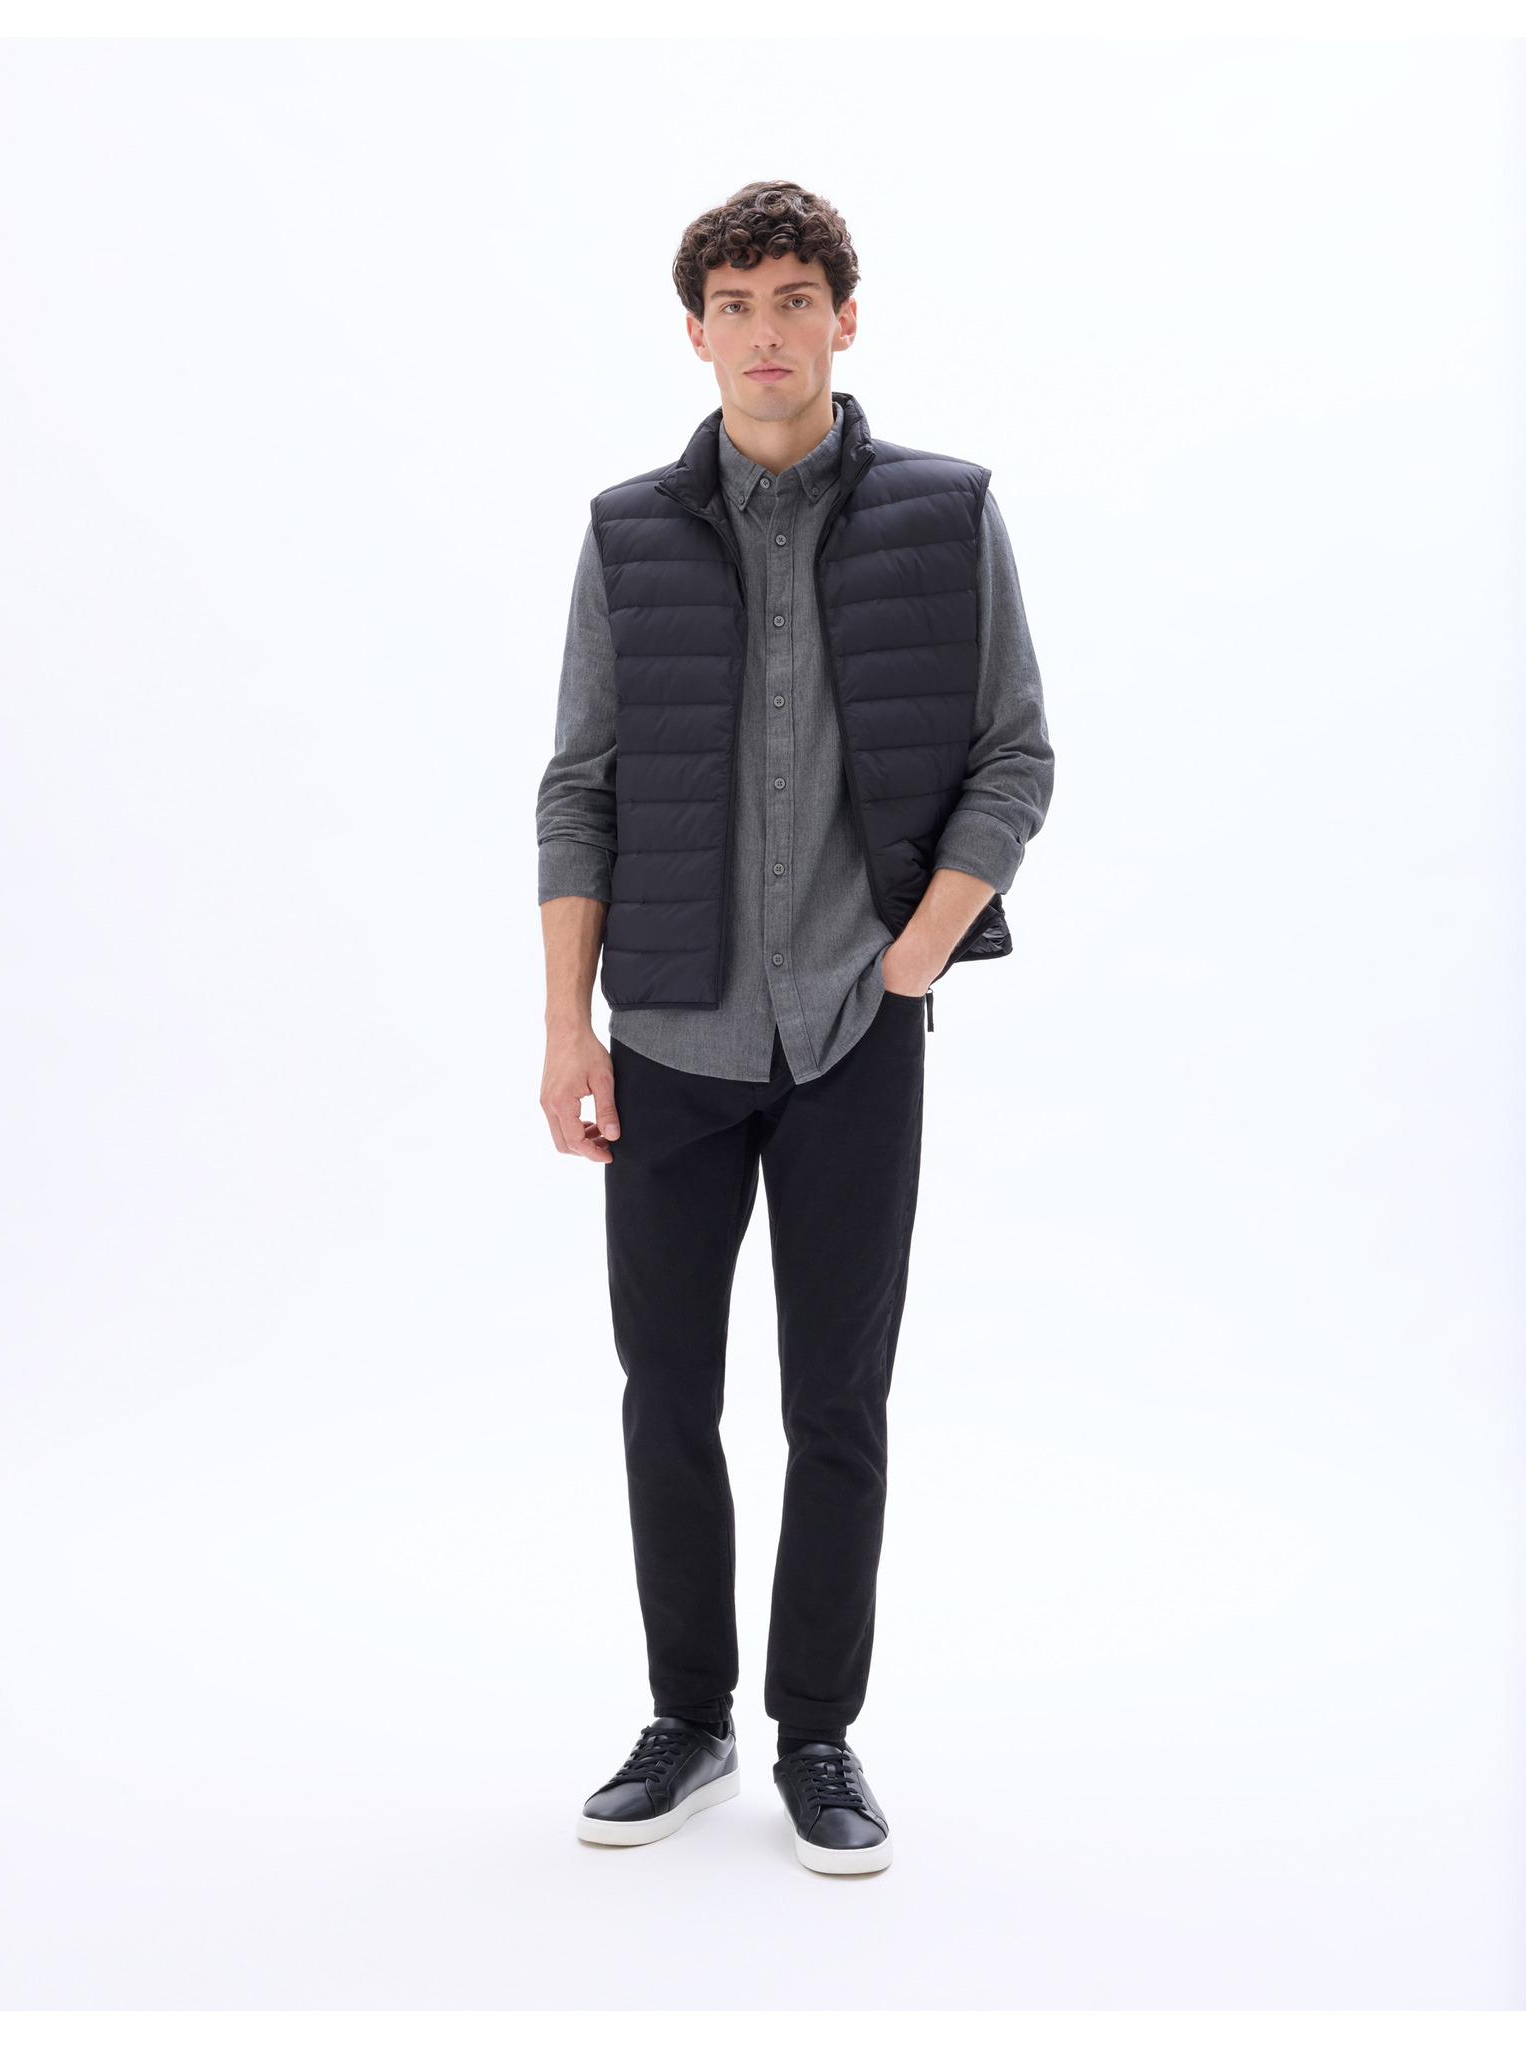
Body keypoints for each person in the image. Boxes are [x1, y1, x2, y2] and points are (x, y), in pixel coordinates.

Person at [536, 181, 1054, 1874]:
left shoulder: (945, 513)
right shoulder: (627, 533)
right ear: (696, 333)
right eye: (736, 305)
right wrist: (567, 1026)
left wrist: (910, 965)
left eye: (794, 298)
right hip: (669, 1035)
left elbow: (1015, 757)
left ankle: (816, 1736)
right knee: (665, 1393)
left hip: (853, 1035)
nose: (766, 332)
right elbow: (581, 786)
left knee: (838, 1400)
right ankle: (687, 1720)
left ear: (846, 314)